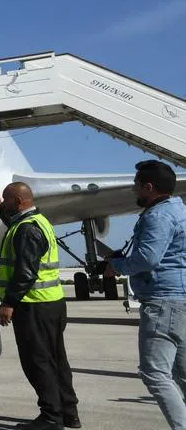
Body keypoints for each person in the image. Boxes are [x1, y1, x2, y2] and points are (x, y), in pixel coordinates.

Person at [0, 181, 79, 430]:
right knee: (56, 359)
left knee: (37, 362)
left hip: (33, 306)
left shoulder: (27, 229)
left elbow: (25, 273)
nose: (4, 203)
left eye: (7, 200)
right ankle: (68, 412)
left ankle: (51, 417)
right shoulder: (37, 222)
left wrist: (8, 303)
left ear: (18, 202)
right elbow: (15, 228)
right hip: (51, 304)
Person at [105, 160, 186, 430]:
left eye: (137, 186)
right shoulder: (179, 210)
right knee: (182, 376)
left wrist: (116, 267)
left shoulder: (158, 216)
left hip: (163, 301)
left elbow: (148, 259)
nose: (134, 190)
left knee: (154, 373)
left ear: (149, 187)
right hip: (180, 300)